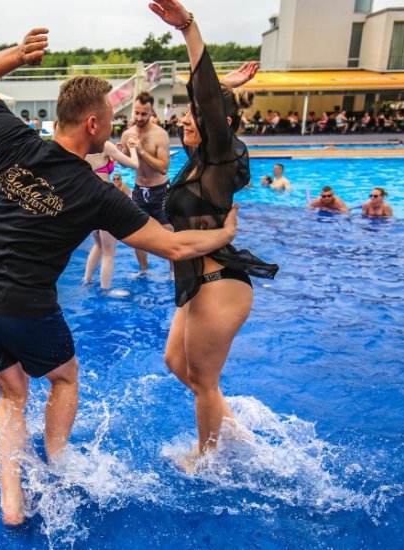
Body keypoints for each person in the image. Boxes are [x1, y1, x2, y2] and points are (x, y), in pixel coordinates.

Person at [0, 27, 239, 526]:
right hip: (23, 307)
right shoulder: (96, 192)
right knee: (64, 377)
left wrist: (18, 57)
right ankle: (60, 464)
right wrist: (222, 237)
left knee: (12, 393)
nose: (113, 129)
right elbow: (172, 244)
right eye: (109, 122)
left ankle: (12, 503)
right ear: (92, 123)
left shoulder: (16, 138)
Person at [149, 0, 278, 467]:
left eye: (194, 114)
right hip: (194, 283)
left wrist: (188, 28)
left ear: (219, 126)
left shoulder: (220, 163)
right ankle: (235, 429)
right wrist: (228, 87)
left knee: (202, 380)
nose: (185, 118)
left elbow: (206, 100)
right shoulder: (199, 166)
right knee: (176, 365)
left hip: (219, 284)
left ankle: (205, 459)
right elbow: (208, 102)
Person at [121, 91, 171, 274]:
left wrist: (141, 151)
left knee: (168, 234)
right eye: (136, 112)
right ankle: (144, 271)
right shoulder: (127, 135)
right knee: (138, 234)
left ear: (152, 113)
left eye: (144, 113)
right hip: (139, 190)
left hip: (160, 191)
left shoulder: (160, 135)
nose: (139, 117)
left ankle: (173, 273)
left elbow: (163, 167)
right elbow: (127, 162)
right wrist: (122, 154)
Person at [83, 140, 138, 290]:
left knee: (98, 244)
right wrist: (133, 149)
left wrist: (112, 156)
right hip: (104, 202)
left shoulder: (83, 144)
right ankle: (105, 291)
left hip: (88, 202)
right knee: (109, 252)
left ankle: (86, 281)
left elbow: (97, 170)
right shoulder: (105, 145)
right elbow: (134, 164)